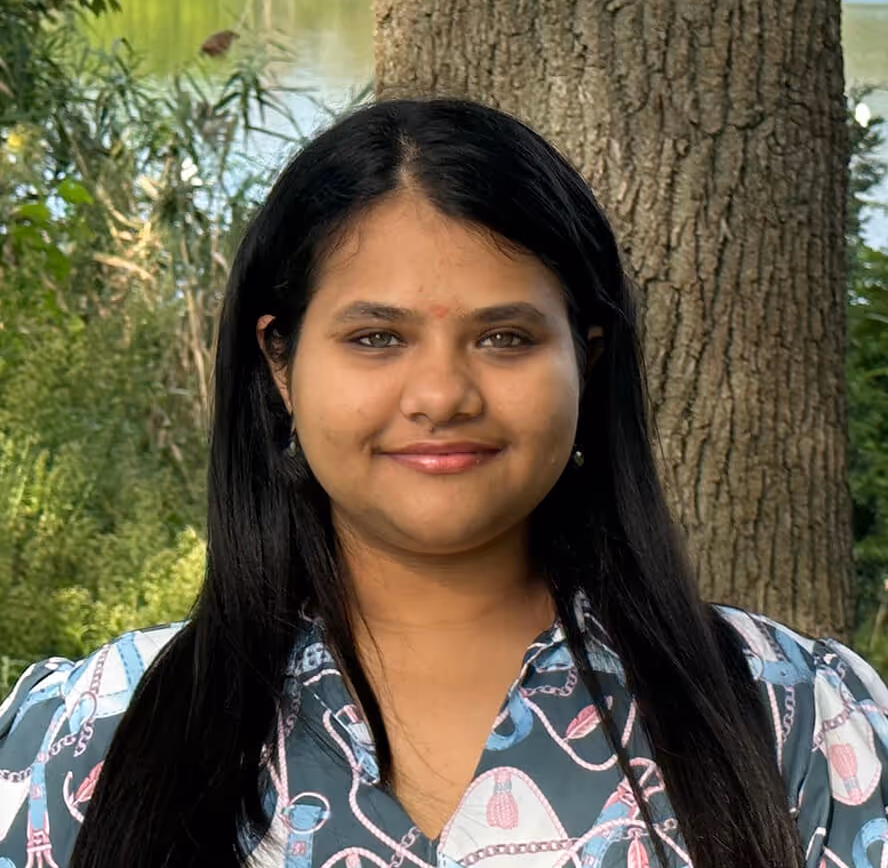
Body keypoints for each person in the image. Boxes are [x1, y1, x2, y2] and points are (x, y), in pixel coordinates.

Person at [0, 98, 886, 868]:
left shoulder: (791, 720)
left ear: (588, 355)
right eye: (376, 338)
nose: (440, 396)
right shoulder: (88, 737)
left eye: (505, 337)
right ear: (280, 364)